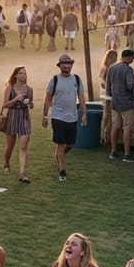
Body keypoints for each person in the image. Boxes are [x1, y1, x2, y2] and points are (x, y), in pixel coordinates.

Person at [43, 54, 87, 182]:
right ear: (60, 66)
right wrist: (45, 116)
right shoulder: (54, 80)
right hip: (57, 116)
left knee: (71, 144)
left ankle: (58, 155)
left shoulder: (77, 80)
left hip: (72, 117)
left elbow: (82, 98)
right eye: (64, 64)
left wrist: (84, 114)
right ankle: (62, 170)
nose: (67, 66)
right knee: (61, 143)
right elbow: (47, 99)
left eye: (69, 63)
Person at [0, 66, 34, 183]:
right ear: (15, 75)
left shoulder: (29, 89)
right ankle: (6, 164)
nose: (23, 75)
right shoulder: (10, 88)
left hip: (24, 117)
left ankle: (22, 174)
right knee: (10, 145)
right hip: (12, 117)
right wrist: (16, 99)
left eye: (24, 73)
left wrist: (30, 104)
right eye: (20, 73)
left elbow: (31, 103)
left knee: (23, 147)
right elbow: (5, 105)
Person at [106, 49, 134, 162]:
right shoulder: (128, 69)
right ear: (128, 57)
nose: (133, 60)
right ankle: (127, 154)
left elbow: (108, 85)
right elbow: (129, 86)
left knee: (115, 127)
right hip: (127, 102)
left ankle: (113, 151)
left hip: (115, 102)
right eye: (132, 58)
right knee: (127, 128)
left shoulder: (112, 67)